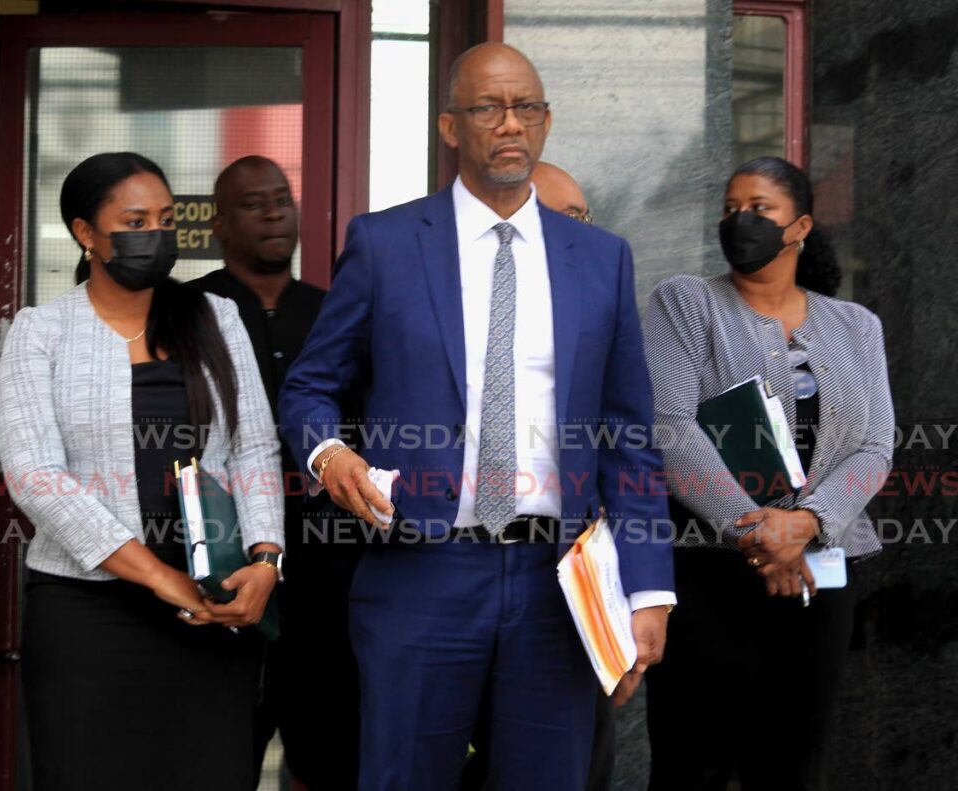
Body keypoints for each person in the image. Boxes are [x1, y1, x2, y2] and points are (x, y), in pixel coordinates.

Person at [279, 43, 675, 789]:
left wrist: (648, 590)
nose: (510, 125)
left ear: (547, 121)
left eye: (527, 108)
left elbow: (629, 437)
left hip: (557, 580)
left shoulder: (601, 258)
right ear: (450, 127)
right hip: (422, 570)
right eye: (489, 108)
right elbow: (308, 386)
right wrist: (331, 456)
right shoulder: (387, 244)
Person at [0, 152, 284, 791]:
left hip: (213, 606)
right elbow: (35, 474)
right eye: (134, 221)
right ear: (86, 234)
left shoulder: (217, 318)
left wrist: (265, 562)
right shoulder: (39, 333)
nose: (155, 235)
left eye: (166, 219)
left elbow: (255, 450)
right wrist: (158, 578)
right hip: (86, 614)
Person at [642, 156, 893, 790]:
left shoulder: (856, 327)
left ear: (800, 226)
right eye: (730, 209)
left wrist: (807, 523)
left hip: (822, 571)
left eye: (759, 208)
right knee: (692, 764)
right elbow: (670, 427)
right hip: (710, 573)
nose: (740, 221)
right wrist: (759, 534)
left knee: (792, 764)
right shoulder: (688, 302)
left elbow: (876, 446)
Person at [189, 155, 360, 790]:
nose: (273, 213)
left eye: (282, 199)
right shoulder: (188, 312)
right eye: (254, 203)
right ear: (218, 224)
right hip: (224, 563)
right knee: (219, 750)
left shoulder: (332, 310)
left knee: (331, 751)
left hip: (325, 569)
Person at [461, 160, 620, 791]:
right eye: (567, 217)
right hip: (456, 570)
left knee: (580, 763)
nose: (582, 230)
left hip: (573, 575)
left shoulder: (601, 310)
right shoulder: (462, 312)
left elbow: (633, 441)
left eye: (585, 216)